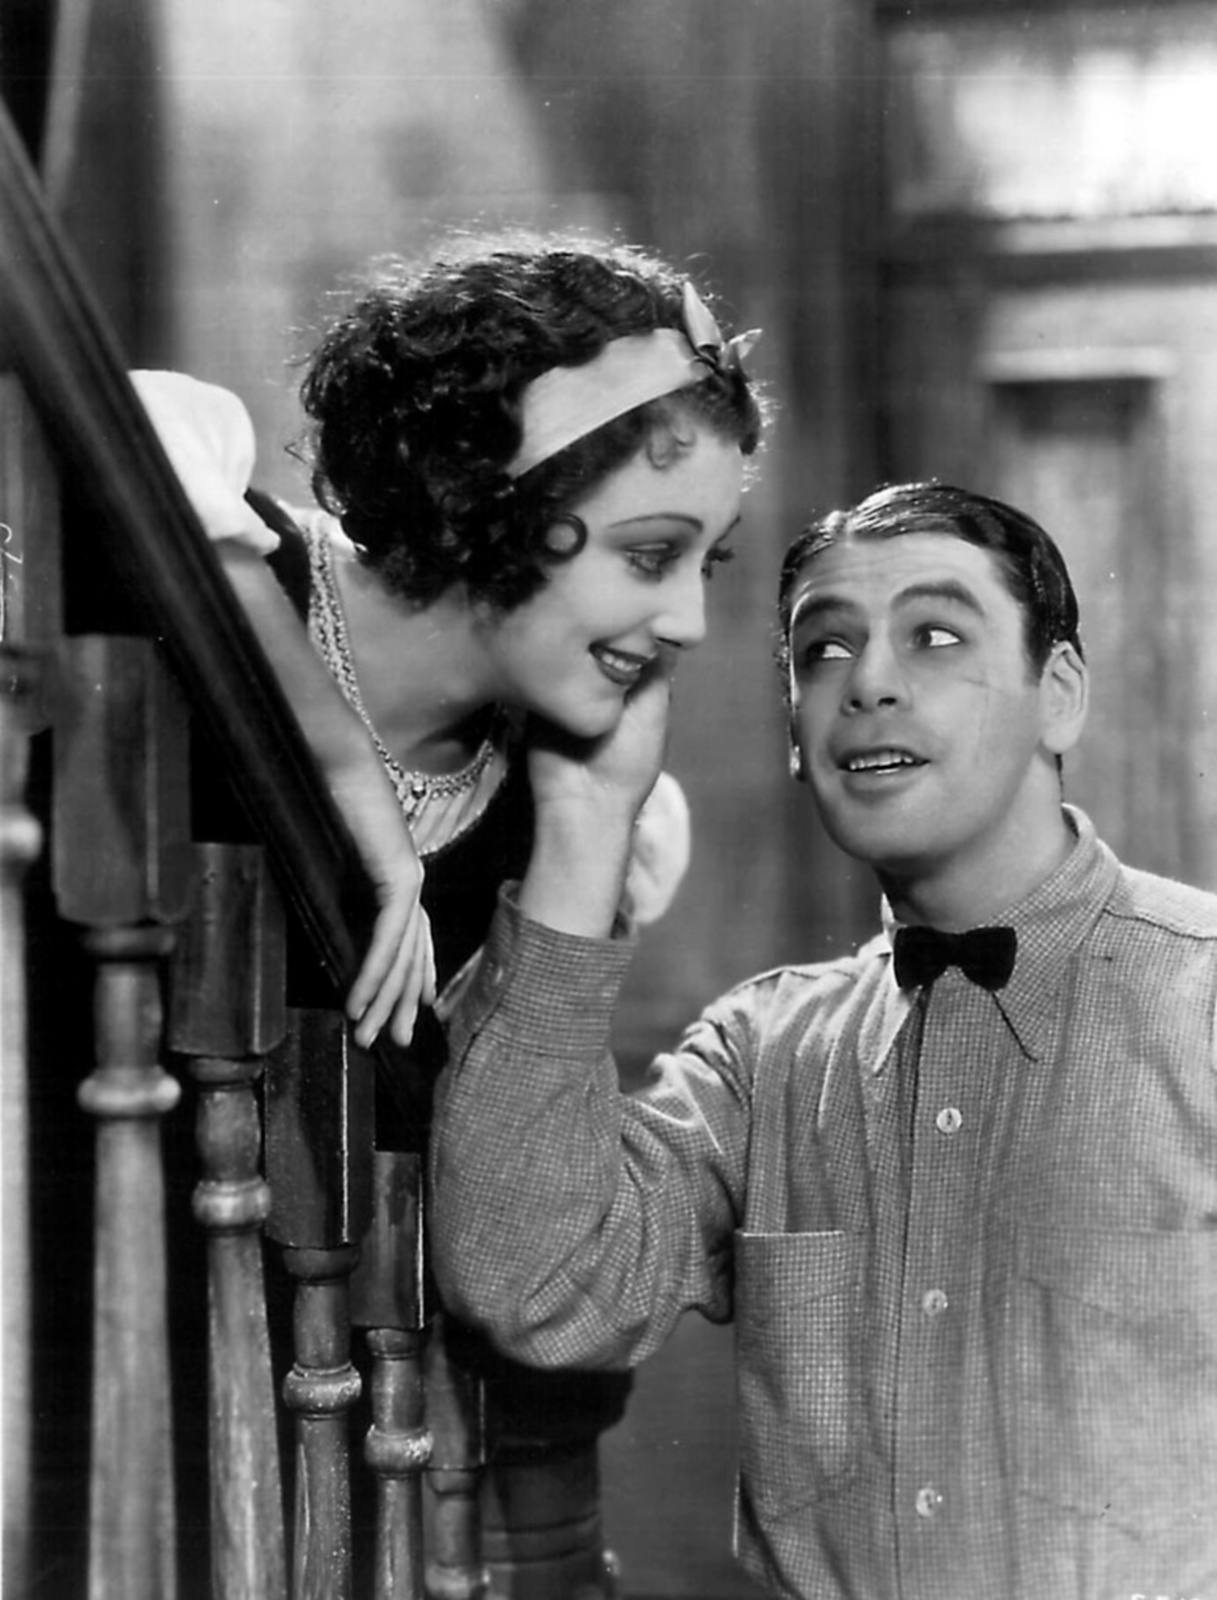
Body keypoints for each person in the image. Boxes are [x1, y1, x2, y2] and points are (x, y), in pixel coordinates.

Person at [429, 481, 1217, 1600]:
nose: (869, 682)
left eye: (934, 636)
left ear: (1057, 695)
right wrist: (588, 823)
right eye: (823, 651)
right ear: (795, 738)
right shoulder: (762, 1056)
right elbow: (534, 1285)